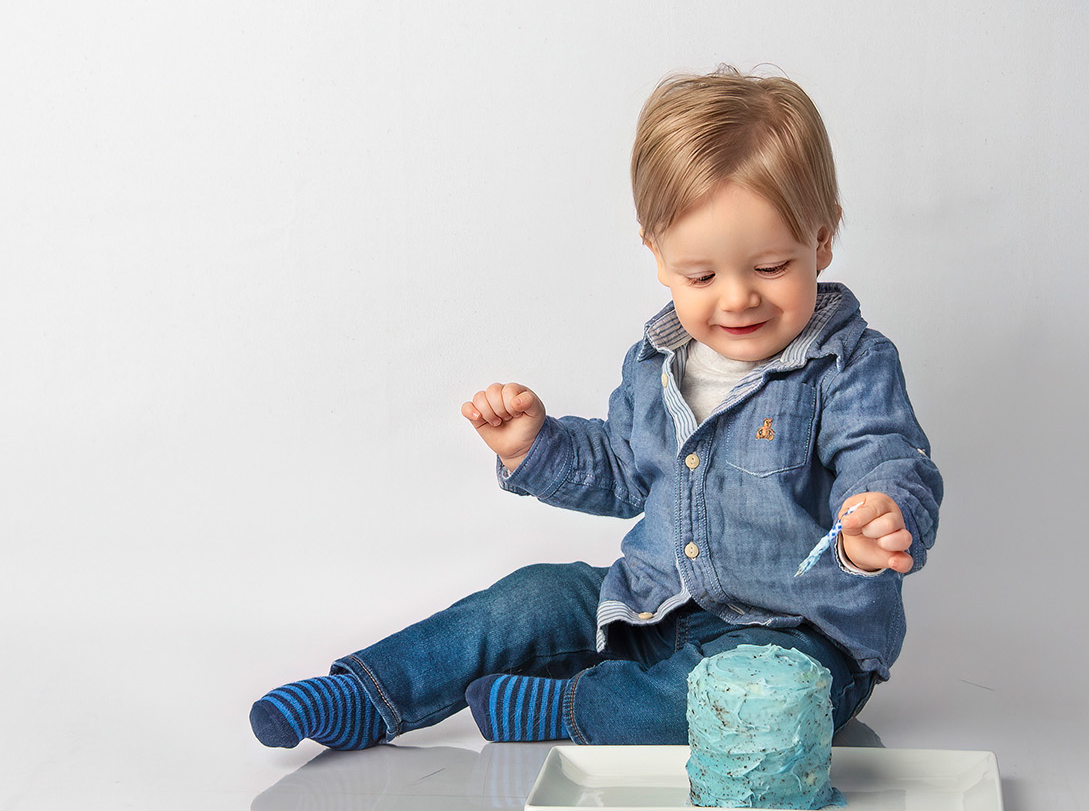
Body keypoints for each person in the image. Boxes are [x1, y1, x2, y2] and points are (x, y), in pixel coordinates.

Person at [250, 67, 943, 749]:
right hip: (650, 603)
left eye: (769, 267)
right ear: (658, 253)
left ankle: (571, 705)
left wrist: (876, 519)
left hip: (795, 638)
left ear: (820, 240)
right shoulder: (657, 362)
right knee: (531, 596)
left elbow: (885, 458)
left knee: (758, 706)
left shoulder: (849, 364)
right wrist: (534, 446)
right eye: (701, 275)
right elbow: (620, 466)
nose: (737, 298)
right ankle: (364, 693)